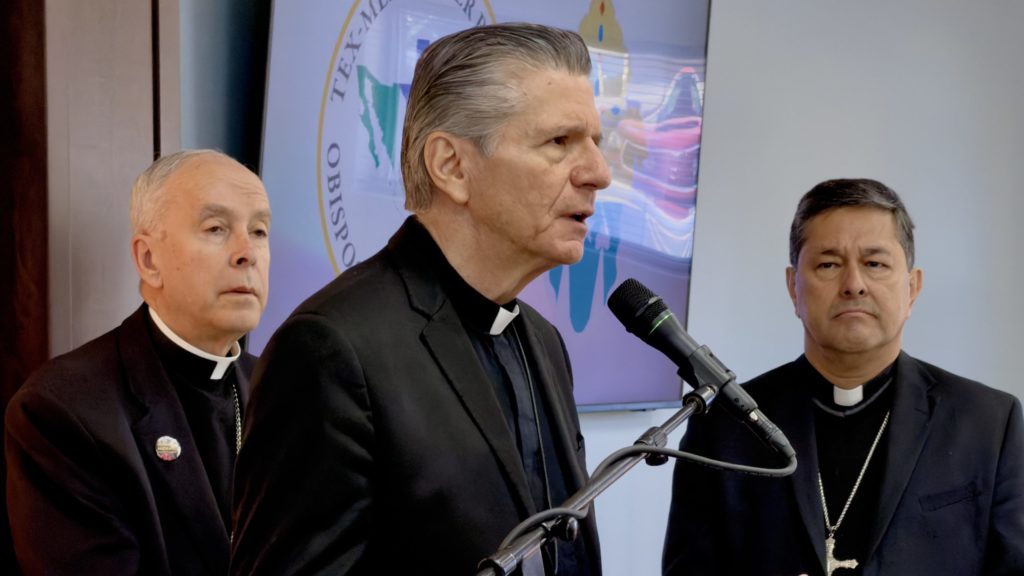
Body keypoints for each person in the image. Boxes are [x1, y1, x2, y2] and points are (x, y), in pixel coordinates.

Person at [230, 23, 610, 576]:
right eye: (559, 142)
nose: (599, 173)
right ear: (451, 165)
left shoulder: (542, 341)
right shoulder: (331, 350)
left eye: (596, 142)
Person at [662, 178, 1024, 575]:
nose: (853, 285)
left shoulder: (989, 423)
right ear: (793, 287)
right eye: (829, 265)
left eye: (875, 264)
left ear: (912, 287)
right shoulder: (725, 426)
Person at [5, 149, 272, 576]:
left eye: (259, 231)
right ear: (149, 260)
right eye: (216, 228)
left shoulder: (282, 391)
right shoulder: (64, 411)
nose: (248, 253)